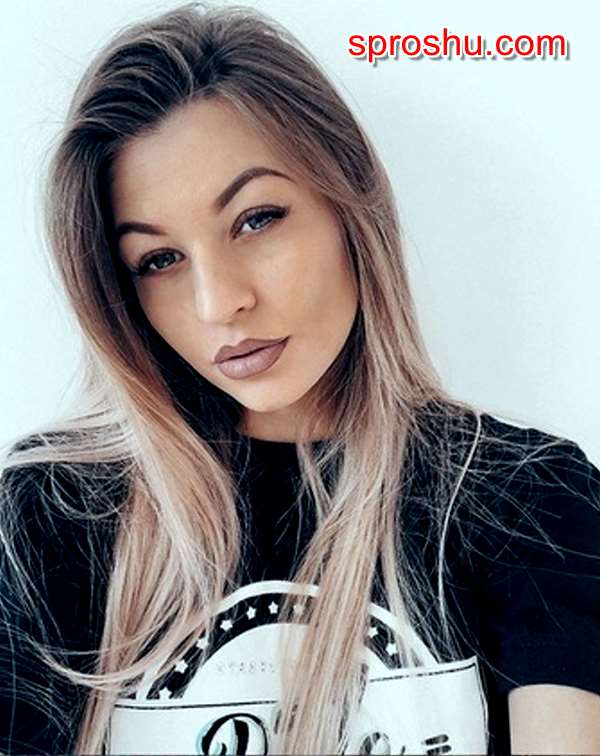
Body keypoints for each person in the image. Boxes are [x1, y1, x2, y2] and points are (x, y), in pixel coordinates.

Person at [1, 3, 599, 754]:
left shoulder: (526, 498)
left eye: (256, 220)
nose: (219, 302)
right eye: (159, 260)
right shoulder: (55, 515)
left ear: (348, 204)